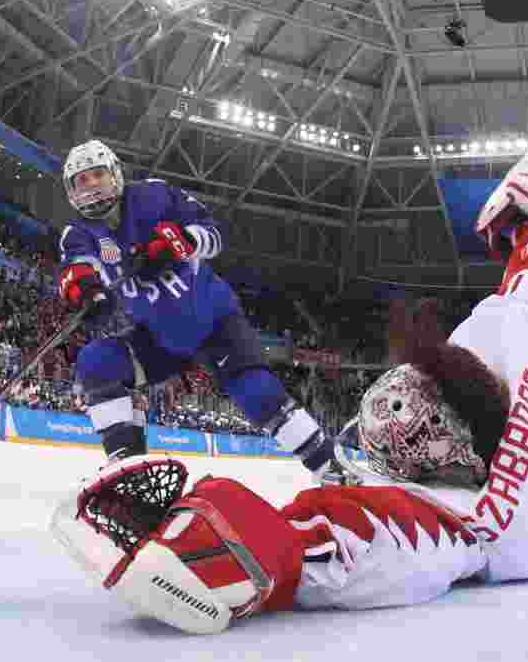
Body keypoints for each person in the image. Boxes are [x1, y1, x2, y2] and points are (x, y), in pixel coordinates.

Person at [51, 139, 528, 635]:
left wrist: (239, 549)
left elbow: (350, 537)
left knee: (260, 393)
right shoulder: (493, 421)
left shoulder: (468, 520)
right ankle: (124, 456)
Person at [55, 139, 335, 472]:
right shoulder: (77, 232)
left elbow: (214, 234)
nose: (91, 186)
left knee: (257, 394)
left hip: (213, 321)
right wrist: (85, 291)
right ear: (70, 190)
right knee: (96, 361)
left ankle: (329, 467)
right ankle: (127, 468)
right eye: (81, 180)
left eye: (97, 174)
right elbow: (76, 269)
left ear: (115, 173)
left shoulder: (154, 196)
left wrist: (180, 243)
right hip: (159, 337)